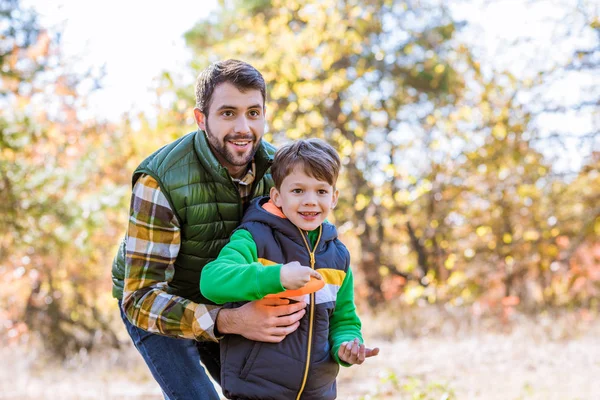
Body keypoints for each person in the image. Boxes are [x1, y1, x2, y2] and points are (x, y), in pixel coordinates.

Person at [110, 59, 308, 400]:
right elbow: (140, 300)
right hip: (159, 304)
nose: (243, 127)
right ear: (201, 119)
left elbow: (312, 247)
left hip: (230, 297)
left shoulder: (280, 174)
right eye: (228, 113)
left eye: (253, 112)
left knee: (274, 392)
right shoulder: (160, 181)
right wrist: (231, 321)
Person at [201, 138, 380, 400]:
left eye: (321, 191)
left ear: (334, 198)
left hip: (318, 393)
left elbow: (344, 319)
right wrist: (278, 276)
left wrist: (346, 346)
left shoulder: (338, 257)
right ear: (277, 196)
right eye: (298, 191)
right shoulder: (254, 238)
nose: (310, 201)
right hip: (256, 391)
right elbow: (211, 281)